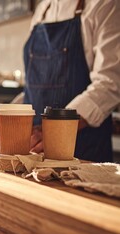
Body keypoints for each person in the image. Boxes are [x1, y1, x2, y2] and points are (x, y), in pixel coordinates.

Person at [15, 0, 120, 162]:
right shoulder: (42, 9)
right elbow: (32, 88)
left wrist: (56, 129)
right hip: (32, 151)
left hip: (83, 154)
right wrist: (10, 119)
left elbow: (110, 83)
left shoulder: (104, 4)